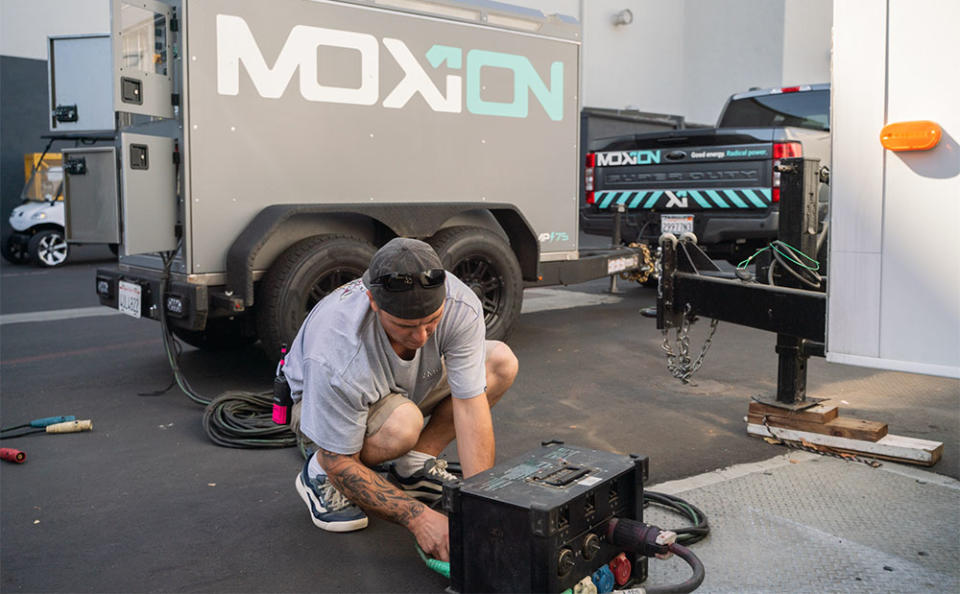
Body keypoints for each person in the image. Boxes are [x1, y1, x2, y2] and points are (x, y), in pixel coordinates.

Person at [281, 237, 518, 562]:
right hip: (320, 405)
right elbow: (342, 461)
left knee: (500, 362)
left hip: (405, 384)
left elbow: (470, 405)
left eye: (431, 322)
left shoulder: (460, 304)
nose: (420, 337)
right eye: (405, 326)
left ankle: (414, 465)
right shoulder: (336, 349)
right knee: (401, 425)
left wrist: (481, 505)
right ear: (374, 303)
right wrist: (417, 517)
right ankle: (316, 473)